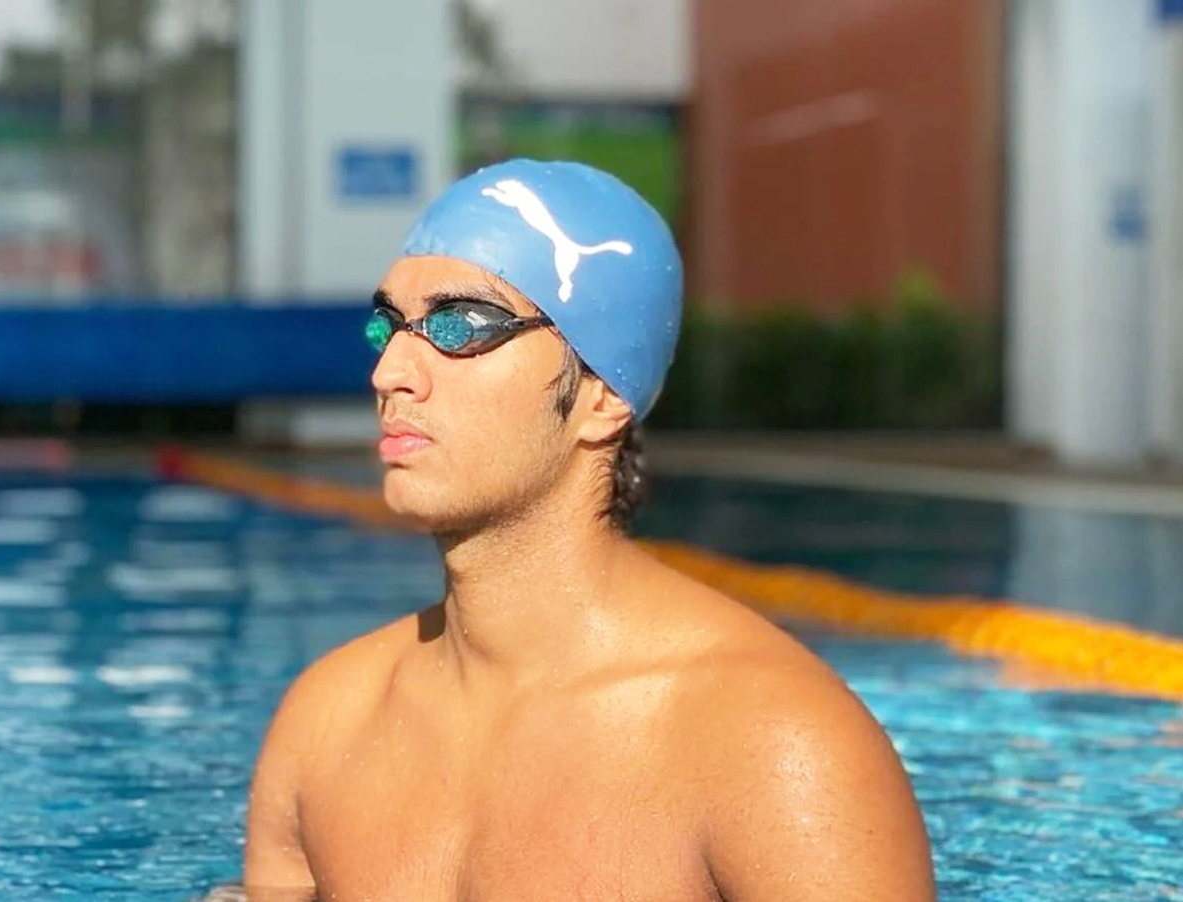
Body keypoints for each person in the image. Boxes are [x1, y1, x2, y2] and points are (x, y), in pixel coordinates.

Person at [242, 159, 936, 901]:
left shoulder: (773, 749)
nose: (390, 373)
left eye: (459, 326)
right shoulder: (327, 722)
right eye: (388, 327)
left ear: (602, 395)